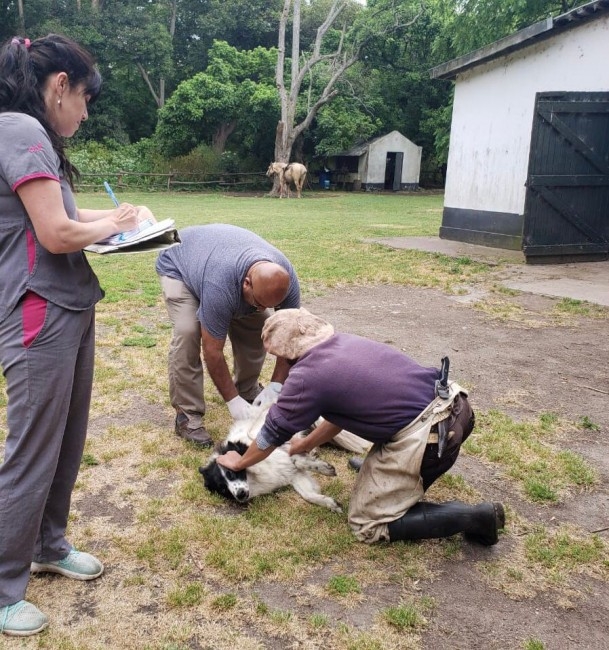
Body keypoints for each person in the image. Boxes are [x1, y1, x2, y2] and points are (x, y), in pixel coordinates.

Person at [0, 34, 155, 636]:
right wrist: (108, 227)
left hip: (68, 301)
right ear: (59, 84)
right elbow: (57, 234)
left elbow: (66, 215)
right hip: (37, 308)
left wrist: (126, 219)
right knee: (33, 446)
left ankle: (48, 544)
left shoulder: (32, 135)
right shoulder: (20, 130)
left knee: (66, 437)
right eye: (84, 98)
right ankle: (5, 584)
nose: (85, 114)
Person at [217, 308, 505, 547]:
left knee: (367, 524)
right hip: (456, 407)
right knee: (384, 450)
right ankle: (382, 468)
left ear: (286, 352)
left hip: (432, 437)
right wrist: (304, 445)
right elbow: (341, 416)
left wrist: (240, 460)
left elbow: (271, 433)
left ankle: (477, 517)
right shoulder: (344, 344)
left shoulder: (307, 376)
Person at [156, 224, 300, 446]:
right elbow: (212, 351)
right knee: (188, 331)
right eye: (259, 303)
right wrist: (232, 402)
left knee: (259, 323)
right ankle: (187, 413)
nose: (263, 308)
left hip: (214, 258)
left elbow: (290, 338)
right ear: (247, 283)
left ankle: (247, 387)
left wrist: (275, 388)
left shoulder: (286, 279)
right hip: (180, 265)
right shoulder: (220, 285)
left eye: (270, 305)